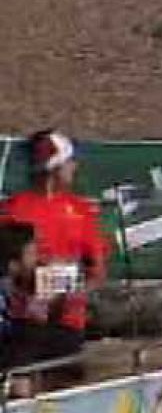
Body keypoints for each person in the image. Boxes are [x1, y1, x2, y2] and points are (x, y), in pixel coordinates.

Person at [0, 132, 110, 391]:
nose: (75, 167)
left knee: (64, 395)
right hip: (23, 323)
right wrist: (31, 280)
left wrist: (75, 292)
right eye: (69, 161)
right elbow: (6, 266)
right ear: (54, 166)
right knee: (19, 391)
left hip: (69, 321)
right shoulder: (13, 210)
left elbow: (97, 269)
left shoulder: (81, 210)